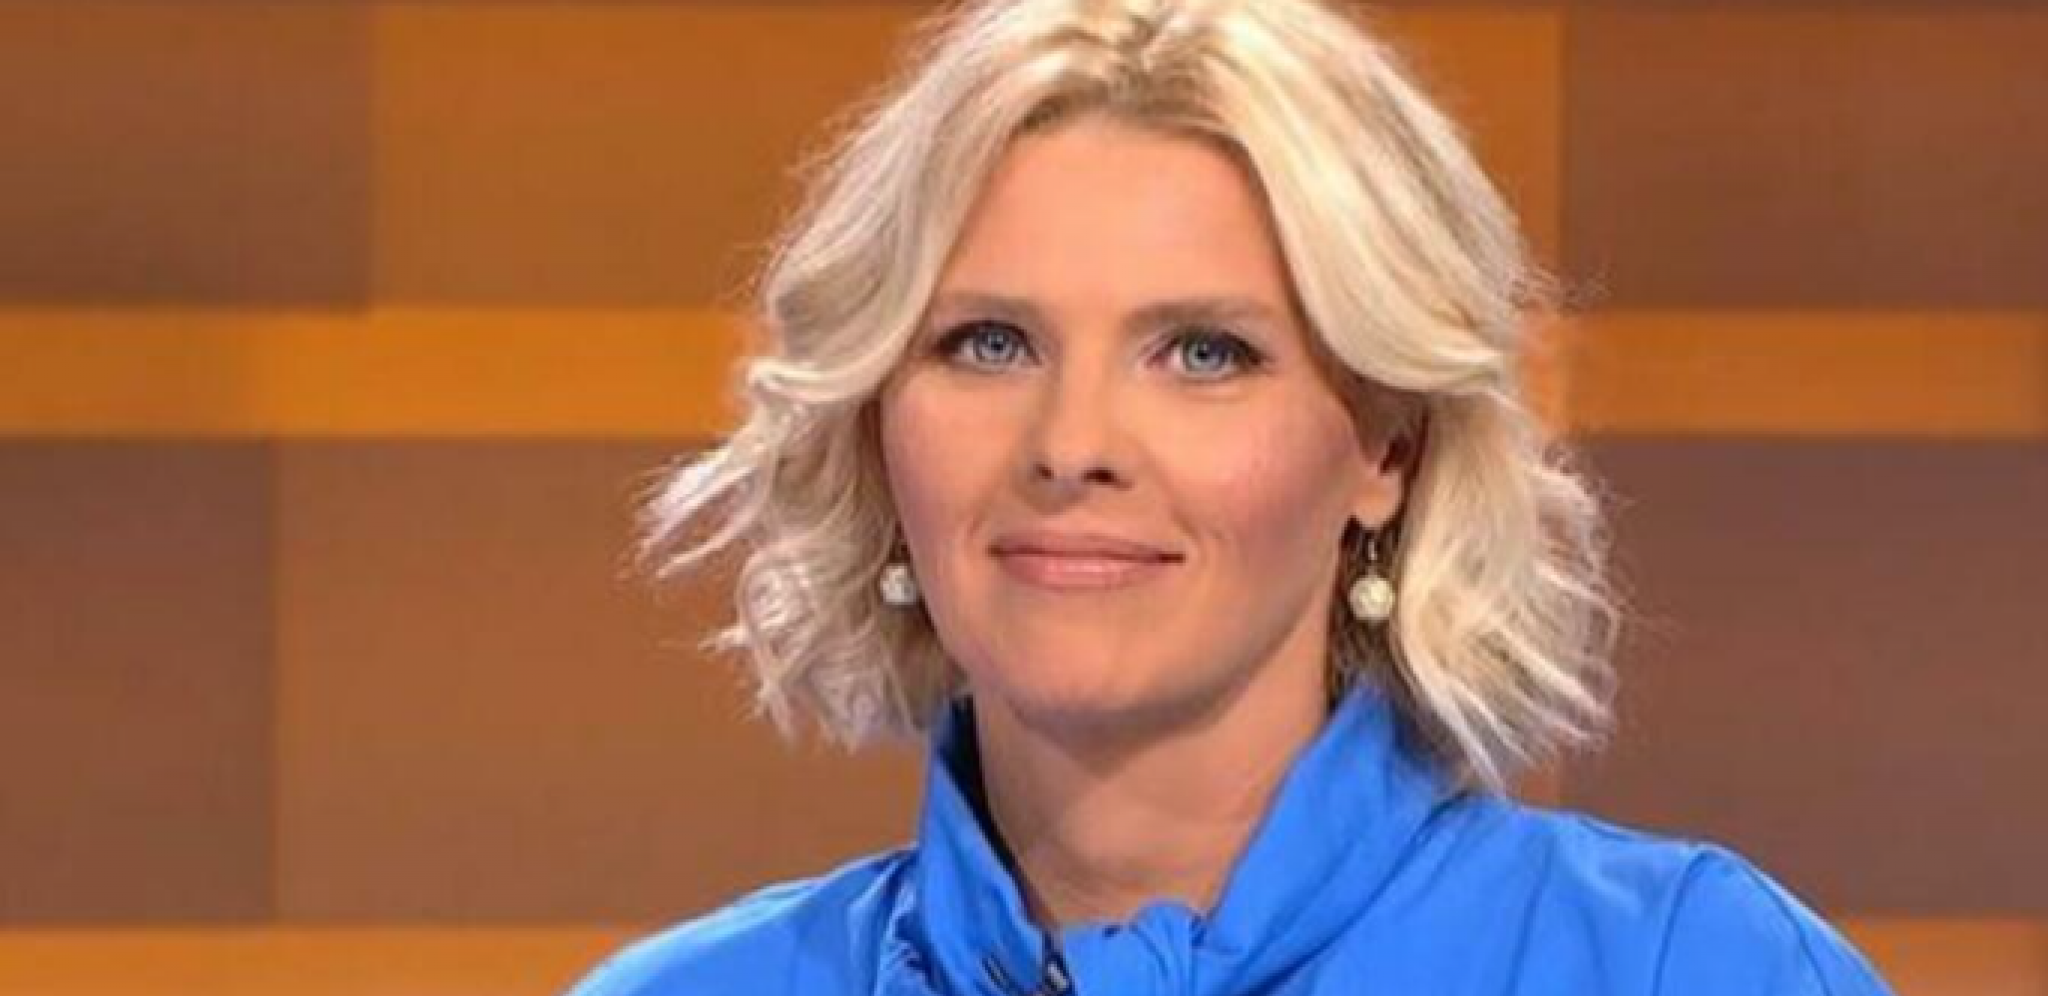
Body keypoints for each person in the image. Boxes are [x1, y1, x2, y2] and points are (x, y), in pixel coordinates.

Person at [569, 0, 1896, 993]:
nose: (1071, 444)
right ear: (875, 424)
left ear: (1386, 447)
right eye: (989, 343)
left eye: (1203, 353)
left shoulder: (1687, 968)